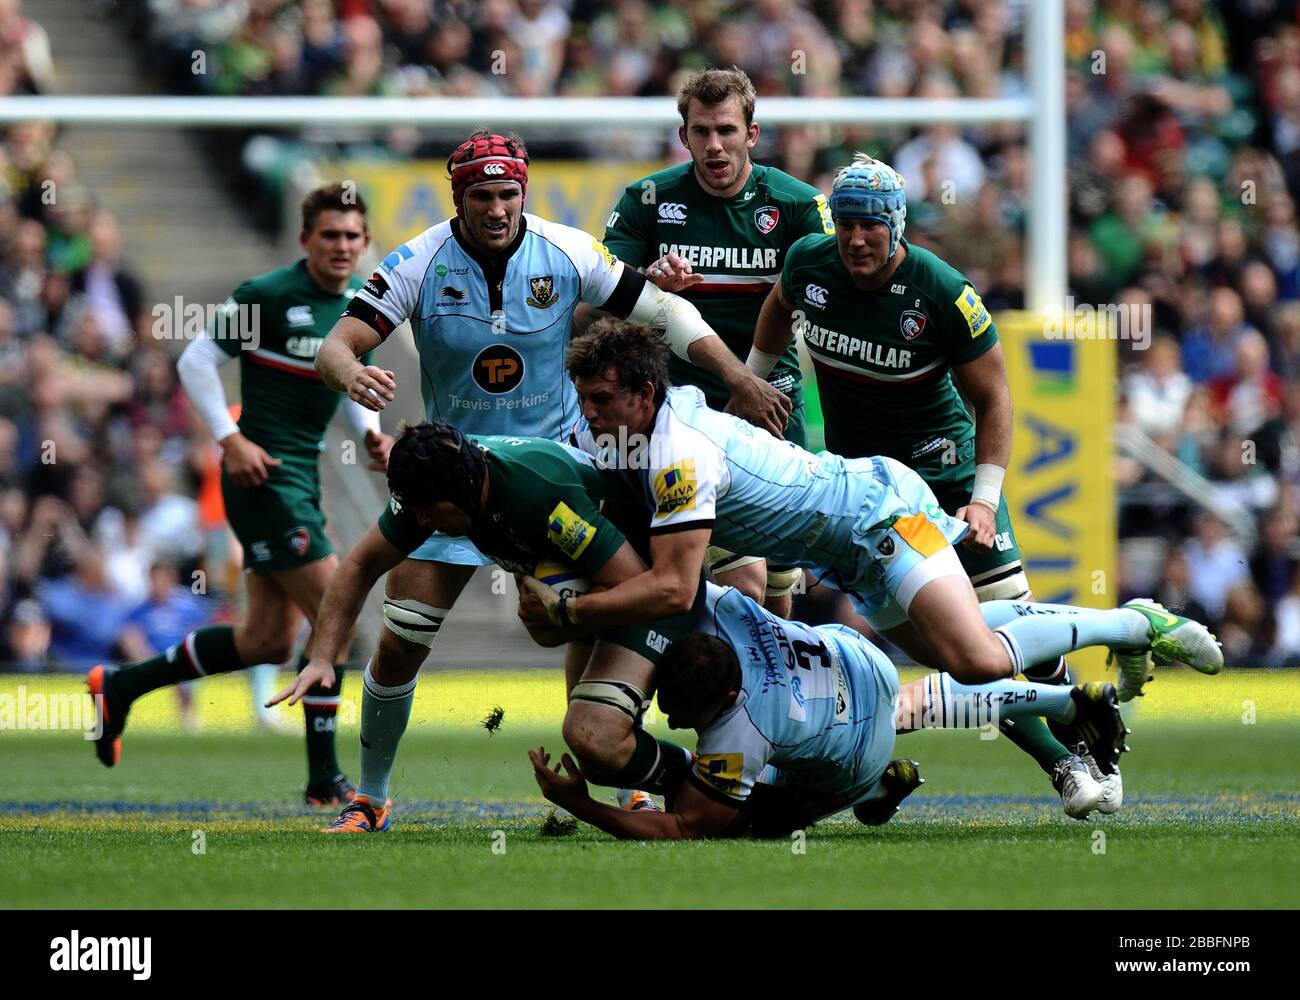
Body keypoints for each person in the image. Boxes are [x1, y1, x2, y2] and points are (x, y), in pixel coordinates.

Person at [518, 319, 1222, 815]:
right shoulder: (640, 425)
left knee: (974, 658)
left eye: (602, 399)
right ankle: (1087, 680)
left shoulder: (679, 453)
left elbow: (674, 585)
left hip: (874, 514)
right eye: (584, 398)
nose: (590, 412)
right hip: (842, 546)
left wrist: (570, 611)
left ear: (644, 396)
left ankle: (1135, 622)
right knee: (949, 646)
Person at [308, 129, 791, 831]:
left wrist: (737, 376)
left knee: (605, 612)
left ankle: (613, 771)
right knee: (402, 635)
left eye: (509, 194)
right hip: (456, 483)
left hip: (560, 478)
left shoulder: (565, 250)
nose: (498, 209)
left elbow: (665, 313)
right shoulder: (417, 262)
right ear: (458, 198)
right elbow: (335, 345)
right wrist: (353, 372)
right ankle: (372, 797)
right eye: (483, 196)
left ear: (524, 193)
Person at [747, 152, 1126, 811]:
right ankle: (1066, 761)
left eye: (870, 225)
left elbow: (996, 399)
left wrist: (981, 500)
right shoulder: (810, 263)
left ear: (897, 226)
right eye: (846, 223)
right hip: (873, 496)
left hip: (945, 476)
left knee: (1006, 642)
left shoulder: (942, 289)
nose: (857, 237)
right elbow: (779, 308)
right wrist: (754, 376)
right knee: (962, 650)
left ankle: (1086, 717)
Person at [88, 183, 392, 806]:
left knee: (266, 642)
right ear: (305, 238)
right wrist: (230, 439)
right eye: (329, 235)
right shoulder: (269, 296)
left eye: (351, 236)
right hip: (262, 475)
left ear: (365, 244)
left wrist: (371, 435)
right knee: (336, 607)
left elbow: (344, 386)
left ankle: (119, 687)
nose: (341, 246)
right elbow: (195, 361)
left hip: (299, 474)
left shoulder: (362, 309)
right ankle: (323, 777)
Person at [274, 421, 701, 833]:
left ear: (462, 495)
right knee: (404, 633)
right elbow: (361, 563)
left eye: (427, 513)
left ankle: (695, 781)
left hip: (645, 584)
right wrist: (323, 657)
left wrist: (566, 614)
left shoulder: (539, 495)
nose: (422, 524)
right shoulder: (430, 482)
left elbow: (629, 583)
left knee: (592, 740)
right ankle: (369, 801)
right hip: (584, 579)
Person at [529, 582, 1128, 839]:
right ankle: (1071, 687)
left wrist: (579, 803)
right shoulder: (728, 610)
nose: (671, 714)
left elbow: (681, 828)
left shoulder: (741, 731)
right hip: (855, 652)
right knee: (945, 673)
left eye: (683, 711)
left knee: (751, 817)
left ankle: (861, 796)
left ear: (721, 701)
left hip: (858, 753)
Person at [597, 67, 835, 615]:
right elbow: (598, 294)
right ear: (684, 137)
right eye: (701, 132)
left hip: (771, 406)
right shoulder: (648, 199)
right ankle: (713, 689)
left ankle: (773, 692)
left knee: (779, 583)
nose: (714, 145)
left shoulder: (797, 206)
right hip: (681, 412)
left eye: (727, 130)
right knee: (741, 578)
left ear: (752, 134)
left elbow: (830, 296)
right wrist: (647, 279)